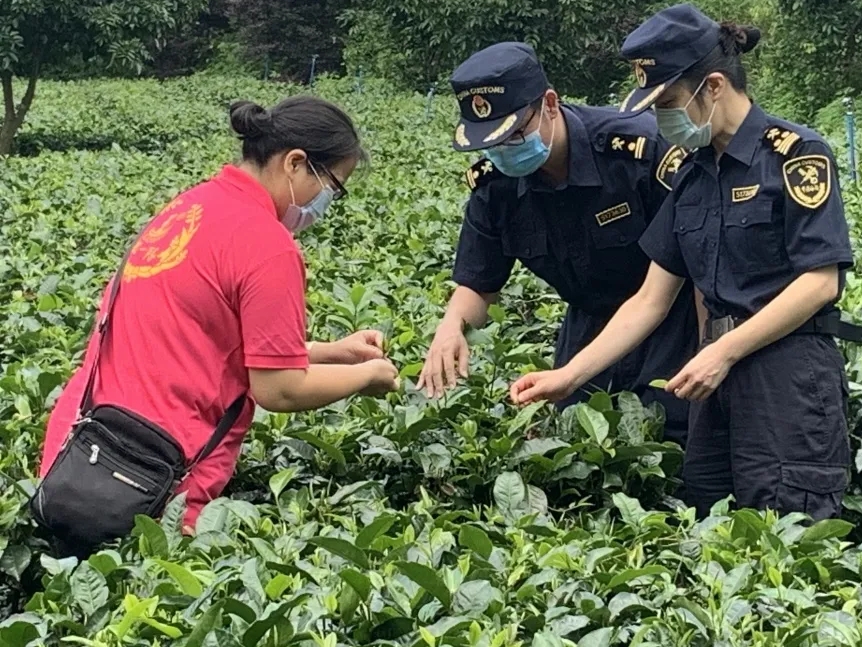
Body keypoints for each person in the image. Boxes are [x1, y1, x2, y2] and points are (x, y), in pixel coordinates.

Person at [511, 5, 862, 521]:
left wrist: (724, 350)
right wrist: (568, 376)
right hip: (712, 376)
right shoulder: (690, 172)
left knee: (788, 530)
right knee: (705, 524)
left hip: (785, 375)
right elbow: (650, 300)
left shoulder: (795, 155)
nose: (660, 119)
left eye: (668, 102)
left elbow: (819, 282)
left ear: (713, 87)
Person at [38, 95, 400, 535]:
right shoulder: (268, 245)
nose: (325, 202)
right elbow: (279, 389)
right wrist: (369, 376)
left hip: (75, 459)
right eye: (331, 186)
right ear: (295, 163)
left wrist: (335, 353)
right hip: (150, 480)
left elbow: (205, 339)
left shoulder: (191, 206)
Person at [418, 41, 701, 452]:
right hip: (587, 325)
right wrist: (451, 327)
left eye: (514, 134)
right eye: (490, 142)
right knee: (577, 445)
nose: (503, 151)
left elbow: (695, 262)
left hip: (672, 320)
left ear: (549, 104)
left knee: (671, 441)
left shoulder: (637, 153)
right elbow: (479, 283)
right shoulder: (494, 185)